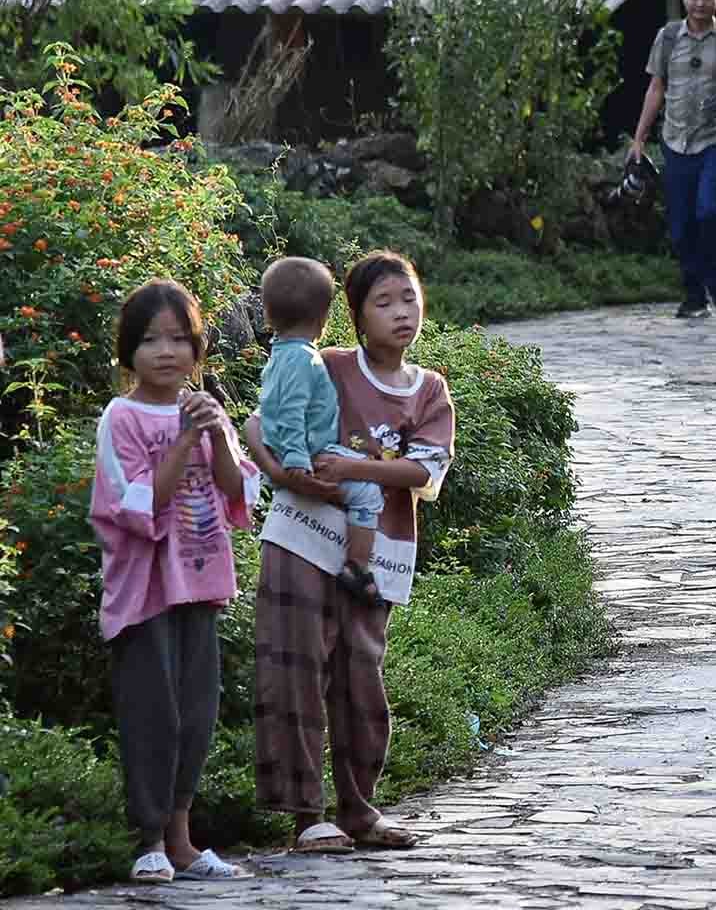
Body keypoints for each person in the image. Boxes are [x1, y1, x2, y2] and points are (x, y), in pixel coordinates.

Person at [244, 250, 455, 855]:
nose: (401, 313)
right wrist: (285, 477)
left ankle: (360, 808)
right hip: (302, 539)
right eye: (383, 302)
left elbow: (423, 469)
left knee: (361, 675)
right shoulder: (326, 366)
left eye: (409, 298)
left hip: (375, 555)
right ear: (355, 316)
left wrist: (353, 466)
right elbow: (261, 427)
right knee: (297, 666)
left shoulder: (429, 391)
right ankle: (306, 814)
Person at [90, 279, 257, 883]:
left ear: (198, 348)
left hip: (201, 581)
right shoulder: (122, 416)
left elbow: (238, 493)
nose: (167, 352)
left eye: (180, 340)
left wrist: (213, 432)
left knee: (195, 710)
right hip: (144, 594)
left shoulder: (208, 411)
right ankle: (149, 841)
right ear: (127, 351)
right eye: (152, 340)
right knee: (151, 711)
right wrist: (185, 438)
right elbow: (133, 505)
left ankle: (183, 841)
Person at [627, 0, 716, 318]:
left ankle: (715, 281)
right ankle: (694, 293)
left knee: (710, 210)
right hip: (675, 140)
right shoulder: (667, 37)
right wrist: (639, 139)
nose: (700, 3)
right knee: (681, 221)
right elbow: (656, 87)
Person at [257, 256, 383, 605]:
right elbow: (291, 410)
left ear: (268, 314)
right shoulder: (304, 358)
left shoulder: (281, 354)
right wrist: (297, 457)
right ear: (324, 317)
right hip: (307, 453)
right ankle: (357, 567)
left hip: (290, 450)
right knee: (368, 492)